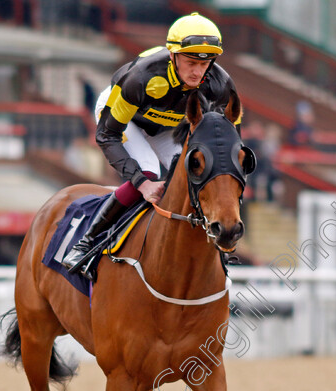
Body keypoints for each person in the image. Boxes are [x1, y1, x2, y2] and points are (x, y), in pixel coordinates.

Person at [62, 12, 240, 272]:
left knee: (199, 172)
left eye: (206, 63)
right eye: (191, 62)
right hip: (125, 121)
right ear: (173, 55)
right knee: (149, 172)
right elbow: (107, 135)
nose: (198, 72)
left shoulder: (220, 85)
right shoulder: (141, 79)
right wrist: (142, 184)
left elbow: (230, 144)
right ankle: (87, 242)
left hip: (167, 128)